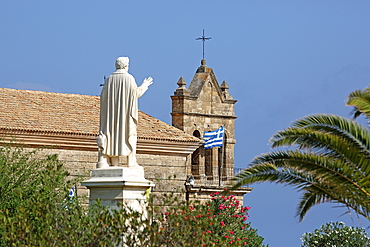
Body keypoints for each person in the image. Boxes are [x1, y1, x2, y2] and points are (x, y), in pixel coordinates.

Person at [97, 57, 153, 167]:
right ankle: (131, 162)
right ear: (125, 66)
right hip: (125, 116)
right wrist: (144, 85)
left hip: (111, 117)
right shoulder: (129, 78)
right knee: (129, 135)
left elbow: (103, 98)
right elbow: (135, 94)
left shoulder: (109, 80)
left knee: (112, 137)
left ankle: (114, 163)